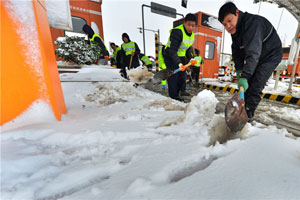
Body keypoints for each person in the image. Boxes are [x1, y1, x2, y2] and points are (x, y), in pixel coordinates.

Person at [218, 2, 282, 121]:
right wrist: (239, 70)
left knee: (256, 82)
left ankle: (247, 115)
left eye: (229, 20)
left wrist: (245, 75)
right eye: (224, 24)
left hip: (271, 54)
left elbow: (252, 53)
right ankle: (242, 108)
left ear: (237, 12)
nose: (228, 26)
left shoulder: (252, 24)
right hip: (258, 54)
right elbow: (237, 52)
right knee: (248, 83)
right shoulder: (236, 29)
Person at [163, 13, 197, 101]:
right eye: (189, 25)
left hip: (180, 55)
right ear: (184, 23)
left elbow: (188, 48)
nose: (191, 28)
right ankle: (173, 97)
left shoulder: (192, 35)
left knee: (183, 75)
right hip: (170, 55)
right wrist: (179, 64)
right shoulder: (177, 32)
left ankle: (182, 91)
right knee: (174, 75)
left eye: (193, 25)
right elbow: (172, 51)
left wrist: (191, 58)